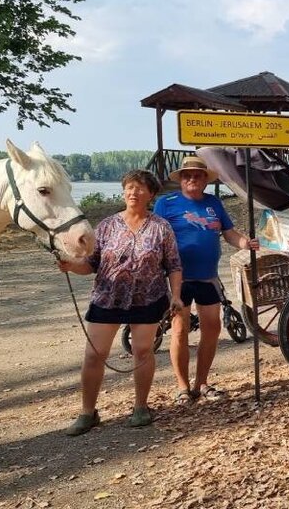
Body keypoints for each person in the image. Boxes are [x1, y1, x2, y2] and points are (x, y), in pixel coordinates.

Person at [58, 170, 183, 435]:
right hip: (108, 297)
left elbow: (173, 265)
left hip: (147, 298)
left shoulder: (162, 227)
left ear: (151, 194)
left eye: (139, 188)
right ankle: (87, 412)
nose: (133, 193)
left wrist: (176, 295)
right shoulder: (106, 225)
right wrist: (70, 265)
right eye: (129, 187)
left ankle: (140, 407)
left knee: (142, 352)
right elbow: (91, 264)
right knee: (94, 354)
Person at [154, 156, 259, 405]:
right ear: (180, 179)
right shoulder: (165, 204)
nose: (192, 179)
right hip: (177, 279)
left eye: (198, 175)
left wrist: (245, 242)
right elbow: (155, 237)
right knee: (180, 330)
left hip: (207, 277)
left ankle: (202, 383)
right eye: (187, 175)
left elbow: (229, 232)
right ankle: (182, 387)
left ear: (205, 180)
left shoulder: (214, 203)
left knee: (212, 328)